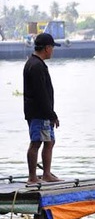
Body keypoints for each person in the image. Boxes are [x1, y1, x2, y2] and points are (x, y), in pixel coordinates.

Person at [23, 33, 62, 184]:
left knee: (49, 141)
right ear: (46, 48)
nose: (53, 50)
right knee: (36, 142)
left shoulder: (34, 63)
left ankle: (46, 174)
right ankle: (33, 177)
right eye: (52, 47)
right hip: (39, 112)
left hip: (40, 111)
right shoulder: (36, 66)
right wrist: (51, 114)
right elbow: (41, 93)